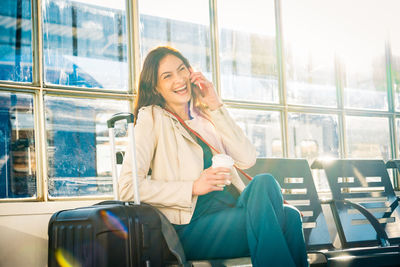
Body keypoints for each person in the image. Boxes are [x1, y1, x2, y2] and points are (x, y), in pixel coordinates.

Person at [119, 46, 308, 266]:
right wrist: (193, 187)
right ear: (156, 87)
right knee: (290, 218)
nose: (179, 79)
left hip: (230, 212)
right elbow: (128, 187)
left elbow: (247, 159)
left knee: (265, 183)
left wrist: (215, 105)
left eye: (182, 70)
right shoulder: (151, 117)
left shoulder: (205, 116)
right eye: (167, 76)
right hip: (191, 226)